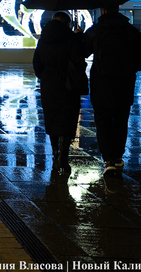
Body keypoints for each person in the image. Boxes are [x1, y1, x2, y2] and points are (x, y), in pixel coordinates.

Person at [81, 3, 141, 176]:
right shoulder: (131, 30)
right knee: (120, 121)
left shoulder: (95, 30)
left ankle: (108, 159)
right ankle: (118, 157)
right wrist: (128, 68)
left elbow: (82, 52)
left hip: (101, 85)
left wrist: (77, 37)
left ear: (102, 10)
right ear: (118, 9)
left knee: (102, 122)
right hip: (124, 85)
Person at [33, 12, 85, 173]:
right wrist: (78, 39)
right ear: (67, 23)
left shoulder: (43, 39)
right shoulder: (71, 38)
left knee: (52, 117)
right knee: (67, 118)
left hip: (49, 83)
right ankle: (63, 156)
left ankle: (55, 152)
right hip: (68, 83)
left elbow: (37, 63)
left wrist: (46, 76)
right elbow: (79, 61)